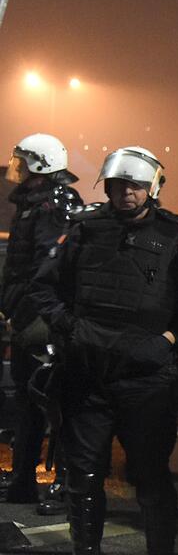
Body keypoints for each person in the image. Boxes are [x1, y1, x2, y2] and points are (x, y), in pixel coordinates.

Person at [30, 146, 178, 555]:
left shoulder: (177, 235)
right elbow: (45, 288)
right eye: (119, 184)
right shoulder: (84, 229)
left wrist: (166, 340)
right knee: (83, 474)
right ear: (106, 186)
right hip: (86, 373)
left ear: (152, 188)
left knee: (149, 476)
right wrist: (67, 327)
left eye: (136, 185)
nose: (126, 192)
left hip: (145, 379)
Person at [0, 134, 81, 515]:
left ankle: (64, 485)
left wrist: (28, 312)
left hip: (42, 319)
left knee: (54, 402)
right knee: (26, 401)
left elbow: (47, 269)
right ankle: (22, 482)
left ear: (41, 164)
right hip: (28, 314)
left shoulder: (53, 205)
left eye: (22, 161)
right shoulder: (34, 204)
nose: (17, 168)